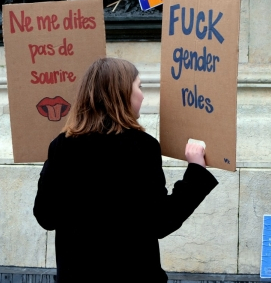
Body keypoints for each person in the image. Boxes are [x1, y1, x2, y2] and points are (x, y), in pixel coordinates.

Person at [33, 58, 218, 283]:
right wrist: (196, 172)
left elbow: (46, 216)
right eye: (139, 87)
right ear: (121, 94)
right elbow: (160, 221)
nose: (142, 95)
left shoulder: (62, 145)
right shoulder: (141, 146)